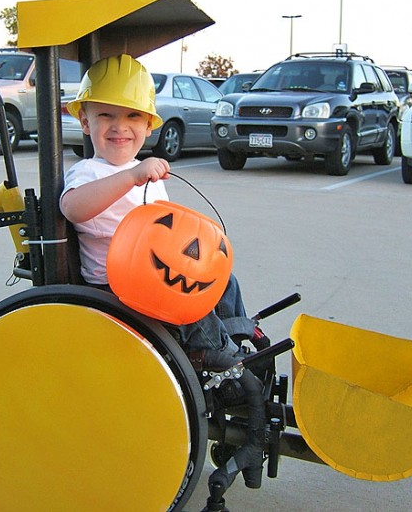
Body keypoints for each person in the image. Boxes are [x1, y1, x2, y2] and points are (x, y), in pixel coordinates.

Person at [60, 54, 268, 498]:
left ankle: (236, 335)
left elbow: (162, 227)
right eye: (106, 116)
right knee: (180, 291)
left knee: (218, 274)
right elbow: (74, 208)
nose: (120, 127)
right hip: (118, 289)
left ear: (149, 126)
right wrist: (133, 175)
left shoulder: (146, 176)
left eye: (133, 116)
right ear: (84, 121)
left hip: (147, 278)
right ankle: (218, 360)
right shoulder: (91, 172)